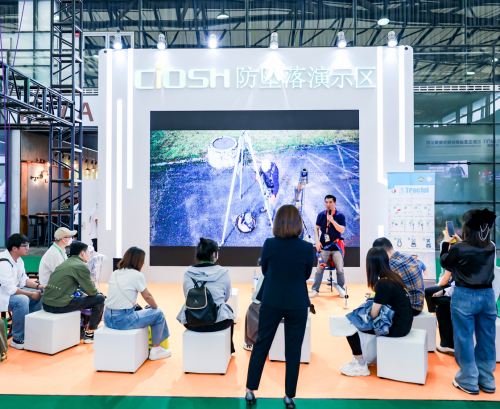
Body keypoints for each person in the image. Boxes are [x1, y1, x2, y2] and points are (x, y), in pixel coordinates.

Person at [246, 205, 314, 409]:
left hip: (271, 301)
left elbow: (265, 270)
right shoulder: (307, 247)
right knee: (293, 350)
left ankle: (250, 390)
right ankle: (289, 396)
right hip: (297, 303)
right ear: (298, 223)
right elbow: (306, 275)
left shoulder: (269, 244)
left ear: (277, 223)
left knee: (261, 344)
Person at [440, 209, 497, 395]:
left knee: (464, 338)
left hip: (464, 296)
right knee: (487, 339)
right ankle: (487, 380)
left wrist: (446, 243)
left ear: (467, 227)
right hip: (488, 297)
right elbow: (473, 252)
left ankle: (468, 380)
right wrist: (460, 242)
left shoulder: (459, 248)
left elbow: (445, 262)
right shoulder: (491, 246)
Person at [341, 247, 413, 377]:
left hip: (395, 328)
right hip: (404, 324)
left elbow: (373, 314)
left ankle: (360, 365)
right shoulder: (394, 277)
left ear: (370, 264)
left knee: (349, 326)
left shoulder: (383, 283)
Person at [104, 247, 171, 360]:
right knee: (158, 313)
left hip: (107, 318)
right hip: (123, 320)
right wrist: (154, 306)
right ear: (139, 261)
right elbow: (147, 296)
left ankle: (158, 345)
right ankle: (156, 349)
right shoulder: (137, 275)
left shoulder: (114, 273)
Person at [176, 238, 236, 352]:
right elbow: (226, 298)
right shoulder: (223, 272)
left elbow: (187, 296)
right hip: (217, 323)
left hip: (191, 322)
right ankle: (229, 349)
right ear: (214, 254)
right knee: (228, 309)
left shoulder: (188, 272)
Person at [42, 241, 105, 344]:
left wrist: (82, 293)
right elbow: (92, 291)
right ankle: (90, 333)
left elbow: (69, 285)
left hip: (46, 303)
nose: (89, 255)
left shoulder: (65, 263)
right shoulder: (81, 265)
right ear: (82, 253)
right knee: (100, 299)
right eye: (88, 253)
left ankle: (84, 326)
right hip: (59, 305)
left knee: (82, 292)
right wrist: (98, 294)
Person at [0, 234, 44, 350]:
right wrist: (31, 294)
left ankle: (32, 332)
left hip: (10, 293)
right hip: (3, 295)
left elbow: (24, 280)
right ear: (14, 248)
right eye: (25, 246)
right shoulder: (3, 262)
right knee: (22, 300)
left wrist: (39, 286)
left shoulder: (19, 260)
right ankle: (17, 339)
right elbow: (10, 289)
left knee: (39, 295)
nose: (28, 248)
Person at [372, 237, 424, 316]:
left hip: (408, 308)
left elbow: (384, 291)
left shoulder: (390, 266)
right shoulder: (408, 256)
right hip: (418, 305)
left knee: (371, 305)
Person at [309, 195, 346, 298]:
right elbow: (316, 228)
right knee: (319, 269)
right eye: (326, 202)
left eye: (330, 202)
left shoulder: (340, 215)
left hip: (336, 247)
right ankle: (315, 290)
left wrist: (332, 220)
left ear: (335, 203)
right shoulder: (321, 215)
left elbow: (342, 230)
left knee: (340, 269)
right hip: (324, 246)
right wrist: (317, 241)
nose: (328, 204)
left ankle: (341, 289)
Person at [243, 258, 264, 351]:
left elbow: (257, 296)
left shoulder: (265, 273)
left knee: (252, 308)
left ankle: (251, 342)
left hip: (270, 306)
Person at [256, 159, 279, 224]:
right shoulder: (264, 165)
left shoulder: (274, 172)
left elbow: (277, 185)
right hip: (266, 183)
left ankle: (270, 217)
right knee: (265, 196)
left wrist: (274, 195)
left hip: (271, 186)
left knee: (269, 202)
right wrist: (258, 174)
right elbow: (260, 170)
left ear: (269, 168)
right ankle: (265, 207)